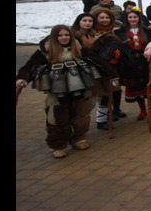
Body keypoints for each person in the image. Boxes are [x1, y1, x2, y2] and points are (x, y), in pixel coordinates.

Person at [16, 25, 104, 158]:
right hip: (58, 90)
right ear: (54, 37)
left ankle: (78, 138)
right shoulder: (46, 50)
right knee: (58, 117)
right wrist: (22, 78)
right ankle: (57, 145)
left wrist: (111, 74)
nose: (64, 38)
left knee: (81, 115)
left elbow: (97, 61)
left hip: (81, 88)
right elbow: (30, 66)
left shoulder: (78, 47)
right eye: (60, 35)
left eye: (67, 35)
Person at [114, 8, 151, 121]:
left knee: (150, 86)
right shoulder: (120, 33)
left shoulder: (148, 32)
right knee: (137, 86)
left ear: (139, 19)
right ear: (126, 19)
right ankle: (143, 110)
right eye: (130, 17)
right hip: (131, 62)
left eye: (134, 17)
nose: (132, 19)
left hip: (146, 61)